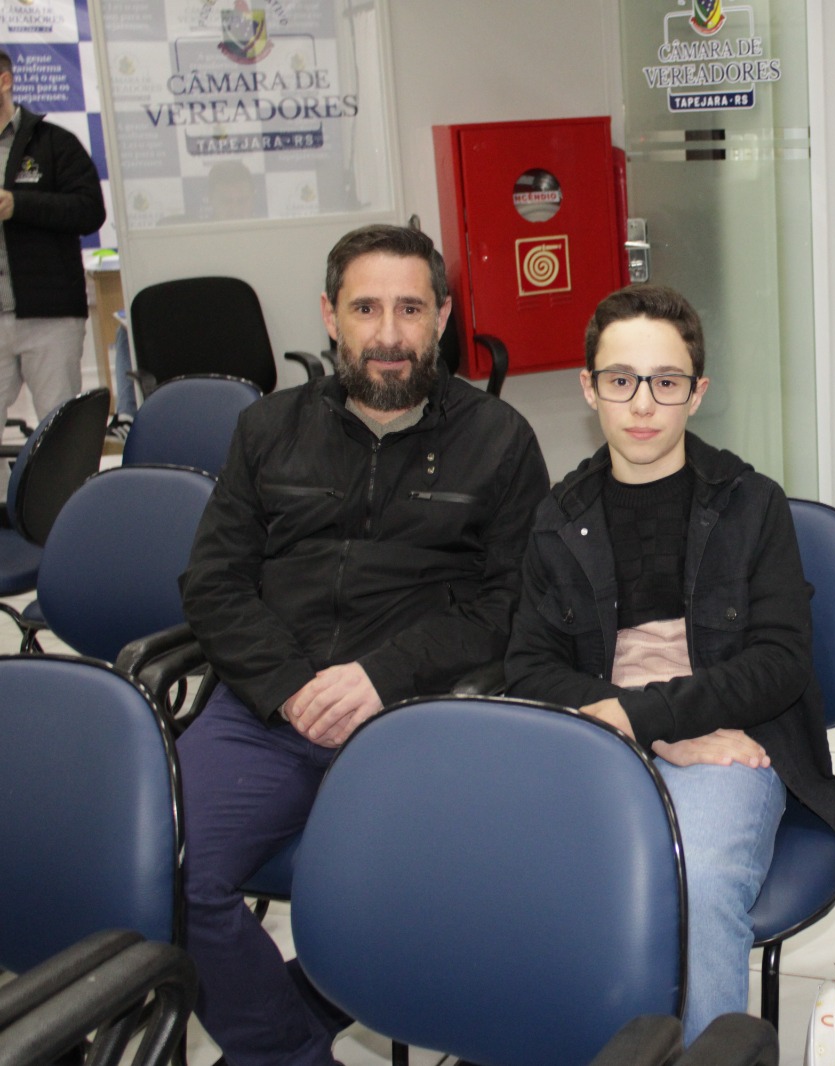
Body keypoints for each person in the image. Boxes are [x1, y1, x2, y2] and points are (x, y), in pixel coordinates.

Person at [177, 223, 549, 1066]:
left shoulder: (499, 439)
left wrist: (382, 676)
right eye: (366, 308)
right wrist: (288, 686)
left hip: (415, 719)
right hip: (268, 712)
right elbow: (213, 582)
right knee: (166, 872)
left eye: (410, 309)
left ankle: (323, 1000)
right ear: (329, 315)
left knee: (448, 902)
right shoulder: (267, 429)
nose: (389, 334)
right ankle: (292, 1052)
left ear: (442, 317)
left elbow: (513, 601)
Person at [504, 284, 835, 1040]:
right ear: (589, 389)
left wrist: (647, 717)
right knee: (526, 881)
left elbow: (779, 662)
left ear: (697, 393)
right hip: (603, 737)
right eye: (621, 380)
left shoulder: (751, 504)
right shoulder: (557, 517)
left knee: (690, 881)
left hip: (733, 737)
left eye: (666, 382)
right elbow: (529, 670)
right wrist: (654, 731)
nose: (643, 404)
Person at [0, 47, 106, 424]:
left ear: (4, 81)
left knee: (59, 431)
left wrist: (19, 205)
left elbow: (90, 211)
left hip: (50, 316)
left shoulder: (54, 142)